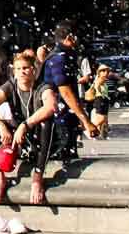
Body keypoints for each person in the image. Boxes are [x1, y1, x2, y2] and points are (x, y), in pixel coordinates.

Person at [0, 50, 58, 206]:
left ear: (34, 70)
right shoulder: (11, 85)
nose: (22, 72)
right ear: (13, 71)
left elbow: (51, 107)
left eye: (25, 68)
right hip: (18, 137)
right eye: (18, 69)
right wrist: (1, 126)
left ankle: (37, 178)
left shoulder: (43, 87)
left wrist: (25, 125)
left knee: (47, 122)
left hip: (40, 137)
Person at [42, 24, 99, 161]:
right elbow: (66, 92)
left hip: (63, 118)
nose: (78, 42)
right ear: (69, 38)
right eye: (76, 38)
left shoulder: (62, 56)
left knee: (69, 158)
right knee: (63, 160)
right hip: (59, 121)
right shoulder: (59, 59)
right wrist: (86, 121)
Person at [87, 65, 116, 139]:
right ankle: (88, 128)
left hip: (103, 99)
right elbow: (97, 86)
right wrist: (101, 94)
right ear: (99, 72)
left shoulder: (103, 79)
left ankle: (98, 133)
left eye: (107, 71)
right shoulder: (100, 79)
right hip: (100, 99)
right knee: (101, 119)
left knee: (104, 118)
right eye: (103, 71)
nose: (106, 72)